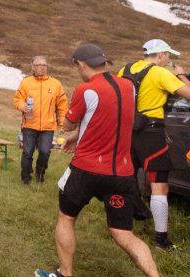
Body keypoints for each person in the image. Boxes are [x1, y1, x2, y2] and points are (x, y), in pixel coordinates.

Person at [34, 43, 158, 277]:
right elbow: (109, 119)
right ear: (103, 62)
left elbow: (69, 123)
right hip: (122, 173)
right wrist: (78, 136)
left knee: (66, 218)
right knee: (123, 234)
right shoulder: (129, 87)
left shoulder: (85, 89)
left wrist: (72, 131)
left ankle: (65, 273)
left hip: (86, 169)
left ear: (81, 65)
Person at [118, 38, 190, 251]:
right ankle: (160, 239)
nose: (168, 60)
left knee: (125, 179)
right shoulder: (161, 73)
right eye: (167, 56)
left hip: (126, 131)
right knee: (159, 184)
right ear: (160, 55)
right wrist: (181, 76)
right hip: (151, 134)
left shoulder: (125, 69)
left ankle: (122, 229)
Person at [13, 56, 68, 185]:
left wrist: (62, 123)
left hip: (48, 127)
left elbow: (62, 105)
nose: (42, 67)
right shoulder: (26, 83)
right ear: (33, 67)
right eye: (39, 65)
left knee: (45, 152)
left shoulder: (56, 84)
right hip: (29, 124)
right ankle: (25, 177)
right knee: (27, 152)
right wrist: (22, 106)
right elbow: (17, 99)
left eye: (44, 65)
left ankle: (40, 172)